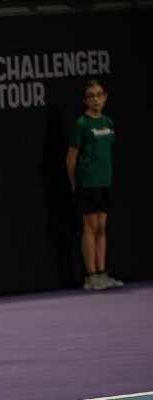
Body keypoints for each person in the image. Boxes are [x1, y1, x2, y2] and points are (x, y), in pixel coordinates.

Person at [66, 79, 124, 291]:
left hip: (104, 181)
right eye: (91, 96)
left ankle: (101, 273)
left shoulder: (108, 122)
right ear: (85, 100)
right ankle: (90, 276)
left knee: (102, 228)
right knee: (90, 228)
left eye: (99, 95)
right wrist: (75, 184)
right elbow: (71, 159)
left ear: (105, 97)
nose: (96, 99)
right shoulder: (82, 124)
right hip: (87, 182)